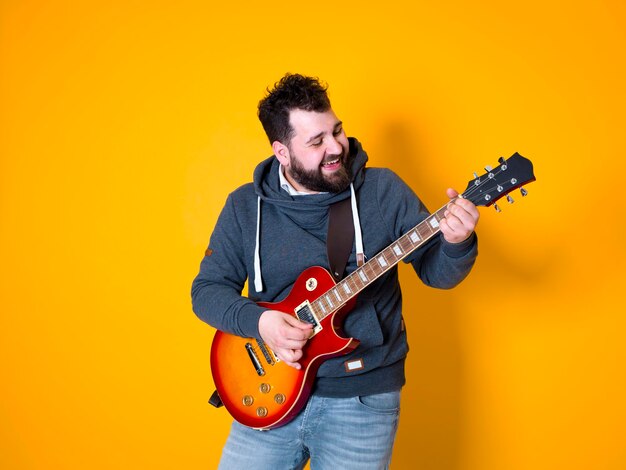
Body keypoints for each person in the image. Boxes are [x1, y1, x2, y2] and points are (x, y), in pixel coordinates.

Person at [191, 73, 479, 469]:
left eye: (337, 131)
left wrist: (457, 240)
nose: (335, 148)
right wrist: (262, 323)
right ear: (282, 152)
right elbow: (206, 291)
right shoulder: (245, 207)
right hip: (263, 394)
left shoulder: (382, 191)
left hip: (362, 402)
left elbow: (437, 273)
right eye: (316, 142)